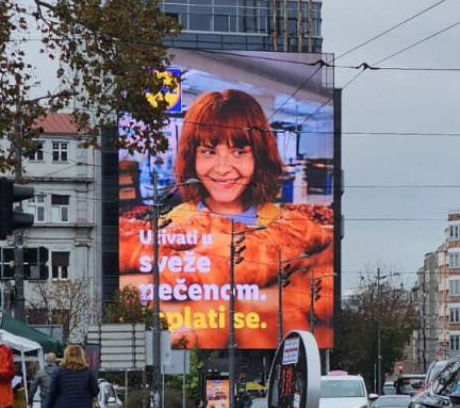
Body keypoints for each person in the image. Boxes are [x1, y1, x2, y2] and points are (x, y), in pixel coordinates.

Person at [117, 89, 334, 350]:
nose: (223, 167)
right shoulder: (167, 228)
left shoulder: (294, 228)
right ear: (191, 157)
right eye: (209, 152)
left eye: (239, 152)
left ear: (259, 156)